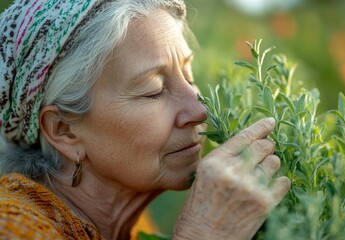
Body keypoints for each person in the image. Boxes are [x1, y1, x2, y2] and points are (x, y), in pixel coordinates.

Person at [0, 0, 291, 239]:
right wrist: (203, 234)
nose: (199, 110)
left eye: (189, 76)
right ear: (64, 130)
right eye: (153, 90)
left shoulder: (135, 228)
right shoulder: (11, 225)